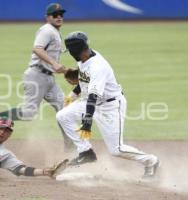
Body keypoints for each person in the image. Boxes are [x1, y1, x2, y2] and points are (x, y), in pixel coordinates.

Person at [56, 31, 160, 177]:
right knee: (63, 116)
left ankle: (151, 161)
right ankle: (86, 152)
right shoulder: (84, 57)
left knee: (116, 149)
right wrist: (72, 95)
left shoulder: (98, 66)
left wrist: (87, 123)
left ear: (75, 51)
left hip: (110, 106)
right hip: (92, 102)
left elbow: (93, 96)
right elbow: (84, 80)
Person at [0, 3, 74, 151]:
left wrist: (63, 69)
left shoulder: (55, 32)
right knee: (28, 113)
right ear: (48, 17)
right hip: (36, 76)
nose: (59, 17)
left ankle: (71, 148)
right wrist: (54, 63)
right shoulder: (47, 30)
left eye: (61, 14)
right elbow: (37, 49)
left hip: (48, 78)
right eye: (55, 14)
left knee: (64, 109)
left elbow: (51, 59)